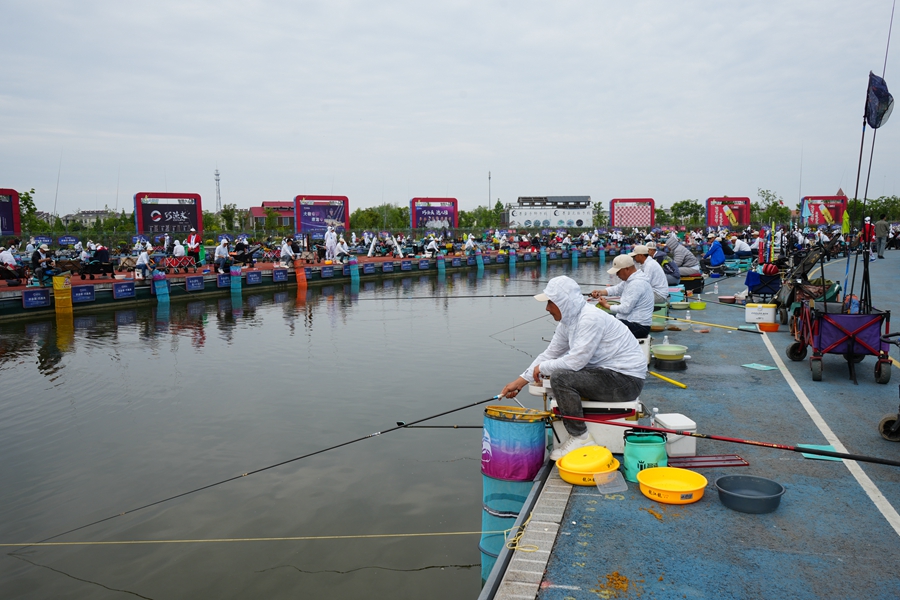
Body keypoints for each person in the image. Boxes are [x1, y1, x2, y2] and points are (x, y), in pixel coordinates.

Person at [500, 276, 646, 461]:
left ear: (563, 302)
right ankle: (575, 432)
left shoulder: (589, 318)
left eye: (550, 303)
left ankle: (581, 437)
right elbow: (550, 354)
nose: (547, 308)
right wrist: (519, 382)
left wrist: (543, 368)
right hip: (610, 376)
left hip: (626, 381)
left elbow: (576, 361)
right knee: (555, 373)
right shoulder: (568, 322)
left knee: (560, 377)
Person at [590, 255, 655, 338]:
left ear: (627, 269)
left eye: (618, 271)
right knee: (599, 318)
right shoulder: (630, 280)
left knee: (600, 325)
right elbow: (616, 289)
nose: (617, 274)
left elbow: (625, 309)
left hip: (639, 327)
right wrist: (601, 292)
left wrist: (606, 306)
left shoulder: (636, 284)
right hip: (630, 321)